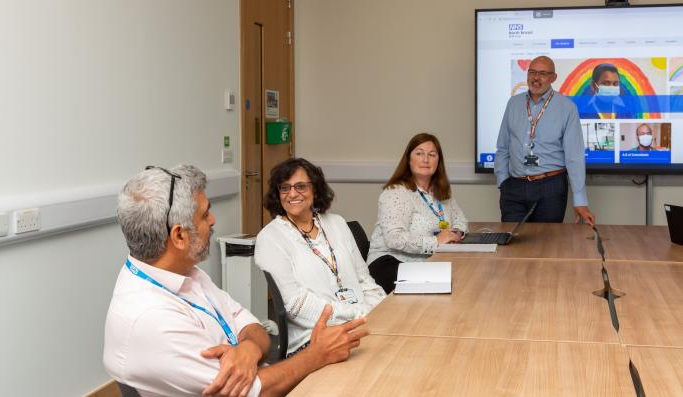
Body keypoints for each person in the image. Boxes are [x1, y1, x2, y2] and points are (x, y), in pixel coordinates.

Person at [104, 165, 369, 397]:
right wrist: (317, 355)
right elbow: (254, 390)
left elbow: (256, 328)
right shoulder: (153, 319)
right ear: (179, 236)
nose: (213, 220)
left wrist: (248, 349)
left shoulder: (186, 274)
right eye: (206, 214)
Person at [255, 158, 386, 357]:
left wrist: (381, 310)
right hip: (315, 340)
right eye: (284, 188)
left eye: (300, 186)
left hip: (363, 324)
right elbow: (296, 305)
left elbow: (364, 279)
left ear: (315, 189)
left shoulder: (337, 223)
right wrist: (359, 314)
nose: (292, 194)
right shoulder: (270, 238)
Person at [495, 56, 596, 226]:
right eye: (532, 72)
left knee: (547, 244)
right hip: (514, 187)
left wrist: (580, 201)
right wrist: (503, 182)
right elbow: (503, 147)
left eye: (542, 73)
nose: (535, 78)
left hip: (551, 187)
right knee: (512, 244)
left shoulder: (567, 107)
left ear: (553, 78)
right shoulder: (513, 104)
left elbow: (574, 157)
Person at [366, 133, 468, 294]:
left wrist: (455, 233)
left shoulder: (440, 191)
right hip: (389, 263)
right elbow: (395, 239)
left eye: (432, 154)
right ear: (408, 159)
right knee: (449, 284)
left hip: (427, 261)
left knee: (464, 276)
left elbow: (460, 219)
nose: (426, 159)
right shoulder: (396, 192)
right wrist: (436, 241)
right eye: (419, 153)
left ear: (438, 161)